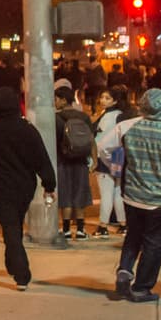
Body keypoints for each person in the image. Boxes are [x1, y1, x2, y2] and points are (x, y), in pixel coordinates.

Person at [97, 88, 161, 303]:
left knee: (133, 236)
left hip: (131, 194)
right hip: (159, 198)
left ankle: (125, 269)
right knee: (154, 244)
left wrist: (114, 167)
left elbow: (102, 146)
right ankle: (141, 287)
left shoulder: (127, 126)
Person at [0, 87, 56, 291]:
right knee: (15, 224)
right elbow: (41, 159)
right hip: (24, 184)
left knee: (10, 225)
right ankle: (16, 265)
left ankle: (19, 270)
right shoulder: (26, 129)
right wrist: (49, 184)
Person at [54, 82, 94, 240]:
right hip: (81, 160)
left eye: (57, 99)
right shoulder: (84, 116)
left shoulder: (56, 118)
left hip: (63, 160)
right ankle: (80, 230)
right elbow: (91, 139)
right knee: (80, 193)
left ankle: (65, 230)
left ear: (63, 100)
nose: (55, 102)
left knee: (65, 195)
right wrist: (94, 160)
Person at [91, 85, 130, 237]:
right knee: (117, 191)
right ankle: (123, 224)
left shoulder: (109, 117)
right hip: (119, 156)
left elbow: (100, 140)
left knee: (106, 192)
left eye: (107, 98)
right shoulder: (121, 115)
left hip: (104, 156)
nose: (102, 100)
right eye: (102, 97)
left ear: (115, 101)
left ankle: (103, 226)